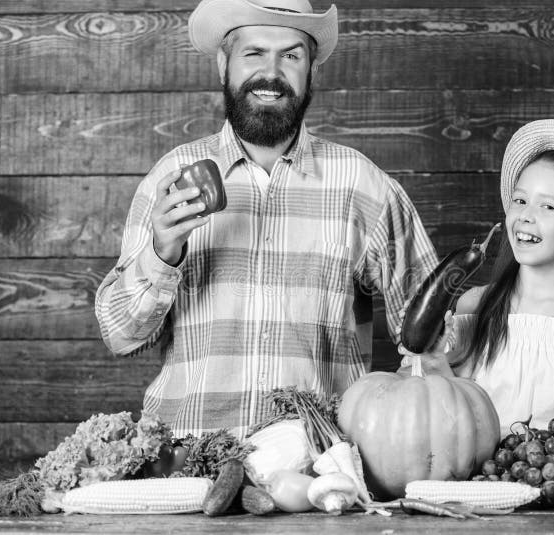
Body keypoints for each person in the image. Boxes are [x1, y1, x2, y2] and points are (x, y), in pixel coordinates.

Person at [95, 0, 438, 437]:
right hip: (190, 464)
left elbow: (430, 335)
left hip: (316, 471)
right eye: (254, 53)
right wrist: (163, 254)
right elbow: (121, 335)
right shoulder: (173, 179)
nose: (271, 73)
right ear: (224, 65)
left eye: (291, 55)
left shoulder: (362, 186)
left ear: (312, 71)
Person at [401, 119, 554, 467]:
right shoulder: (475, 308)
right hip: (486, 498)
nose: (526, 216)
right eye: (520, 200)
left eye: (548, 206)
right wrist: (434, 362)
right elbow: (450, 419)